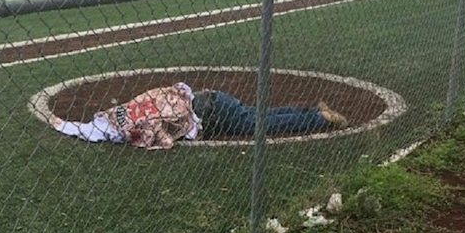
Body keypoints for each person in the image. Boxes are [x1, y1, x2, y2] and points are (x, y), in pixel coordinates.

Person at [49, 83, 349, 150]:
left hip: (211, 111)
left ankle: (319, 119)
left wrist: (63, 124)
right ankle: (314, 113)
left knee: (259, 122)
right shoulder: (131, 107)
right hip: (210, 98)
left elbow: (90, 131)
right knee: (257, 115)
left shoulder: (123, 123)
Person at [192, 89, 348, 137]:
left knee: (264, 124)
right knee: (264, 115)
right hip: (216, 99)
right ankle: (316, 112)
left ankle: (320, 118)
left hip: (216, 114)